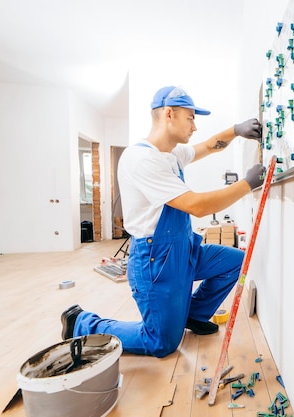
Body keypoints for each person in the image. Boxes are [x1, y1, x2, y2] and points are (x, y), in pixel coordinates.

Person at [60, 85, 266, 358]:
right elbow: (197, 206)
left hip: (183, 251)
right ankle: (81, 322)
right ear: (169, 114)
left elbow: (207, 146)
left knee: (235, 262)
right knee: (161, 342)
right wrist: (246, 184)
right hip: (155, 260)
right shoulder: (142, 159)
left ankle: (193, 314)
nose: (194, 127)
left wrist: (235, 130)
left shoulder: (170, 155)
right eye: (190, 118)